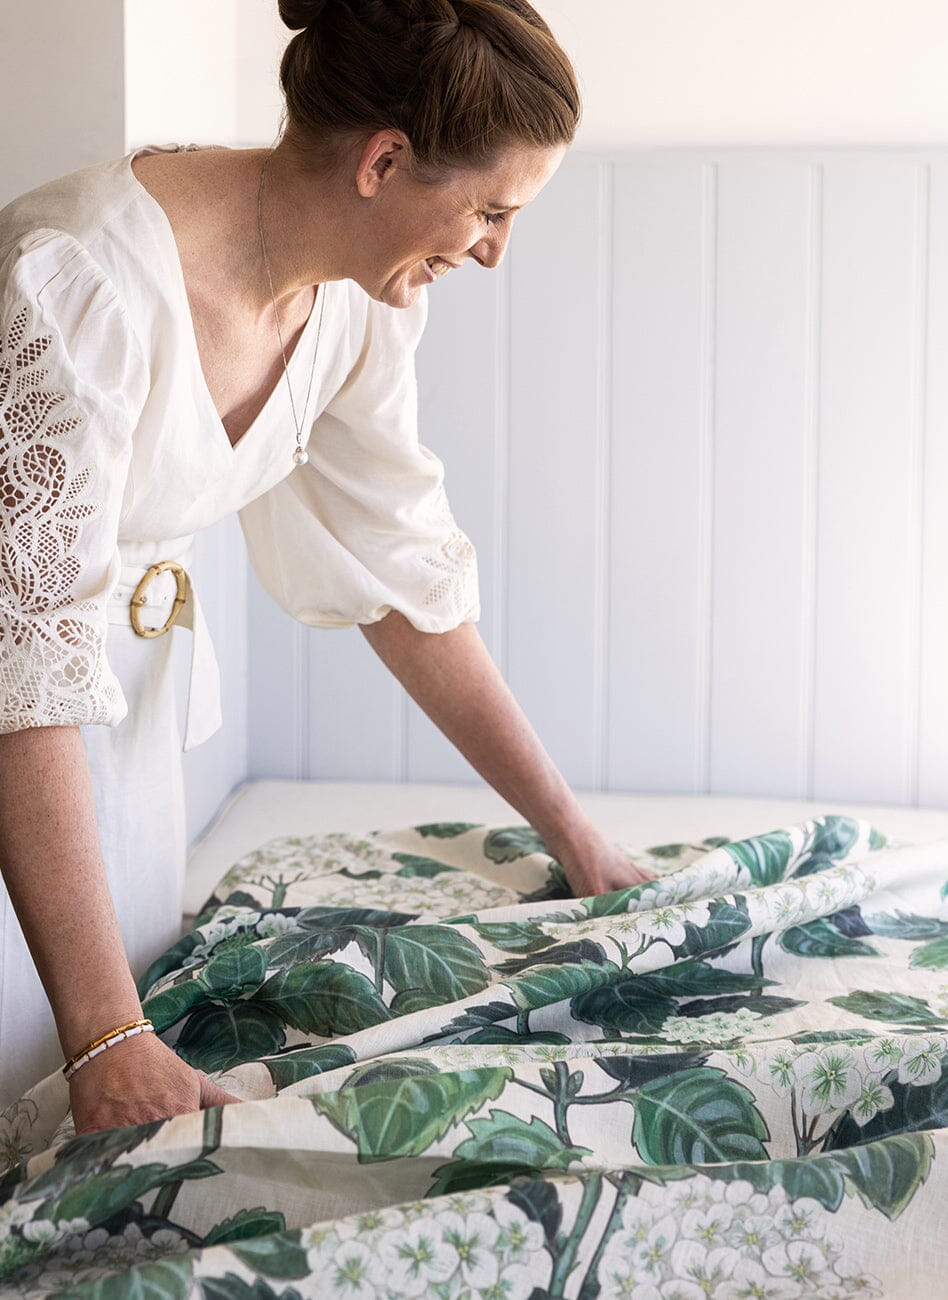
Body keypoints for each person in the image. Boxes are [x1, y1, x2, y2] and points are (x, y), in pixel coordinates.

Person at [0, 0, 656, 1135]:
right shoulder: (77, 281)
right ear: (384, 160)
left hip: (127, 732)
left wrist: (578, 840)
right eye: (491, 209)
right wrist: (105, 1034)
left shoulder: (355, 308)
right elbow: (24, 649)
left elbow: (406, 583)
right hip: (26, 744)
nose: (495, 251)